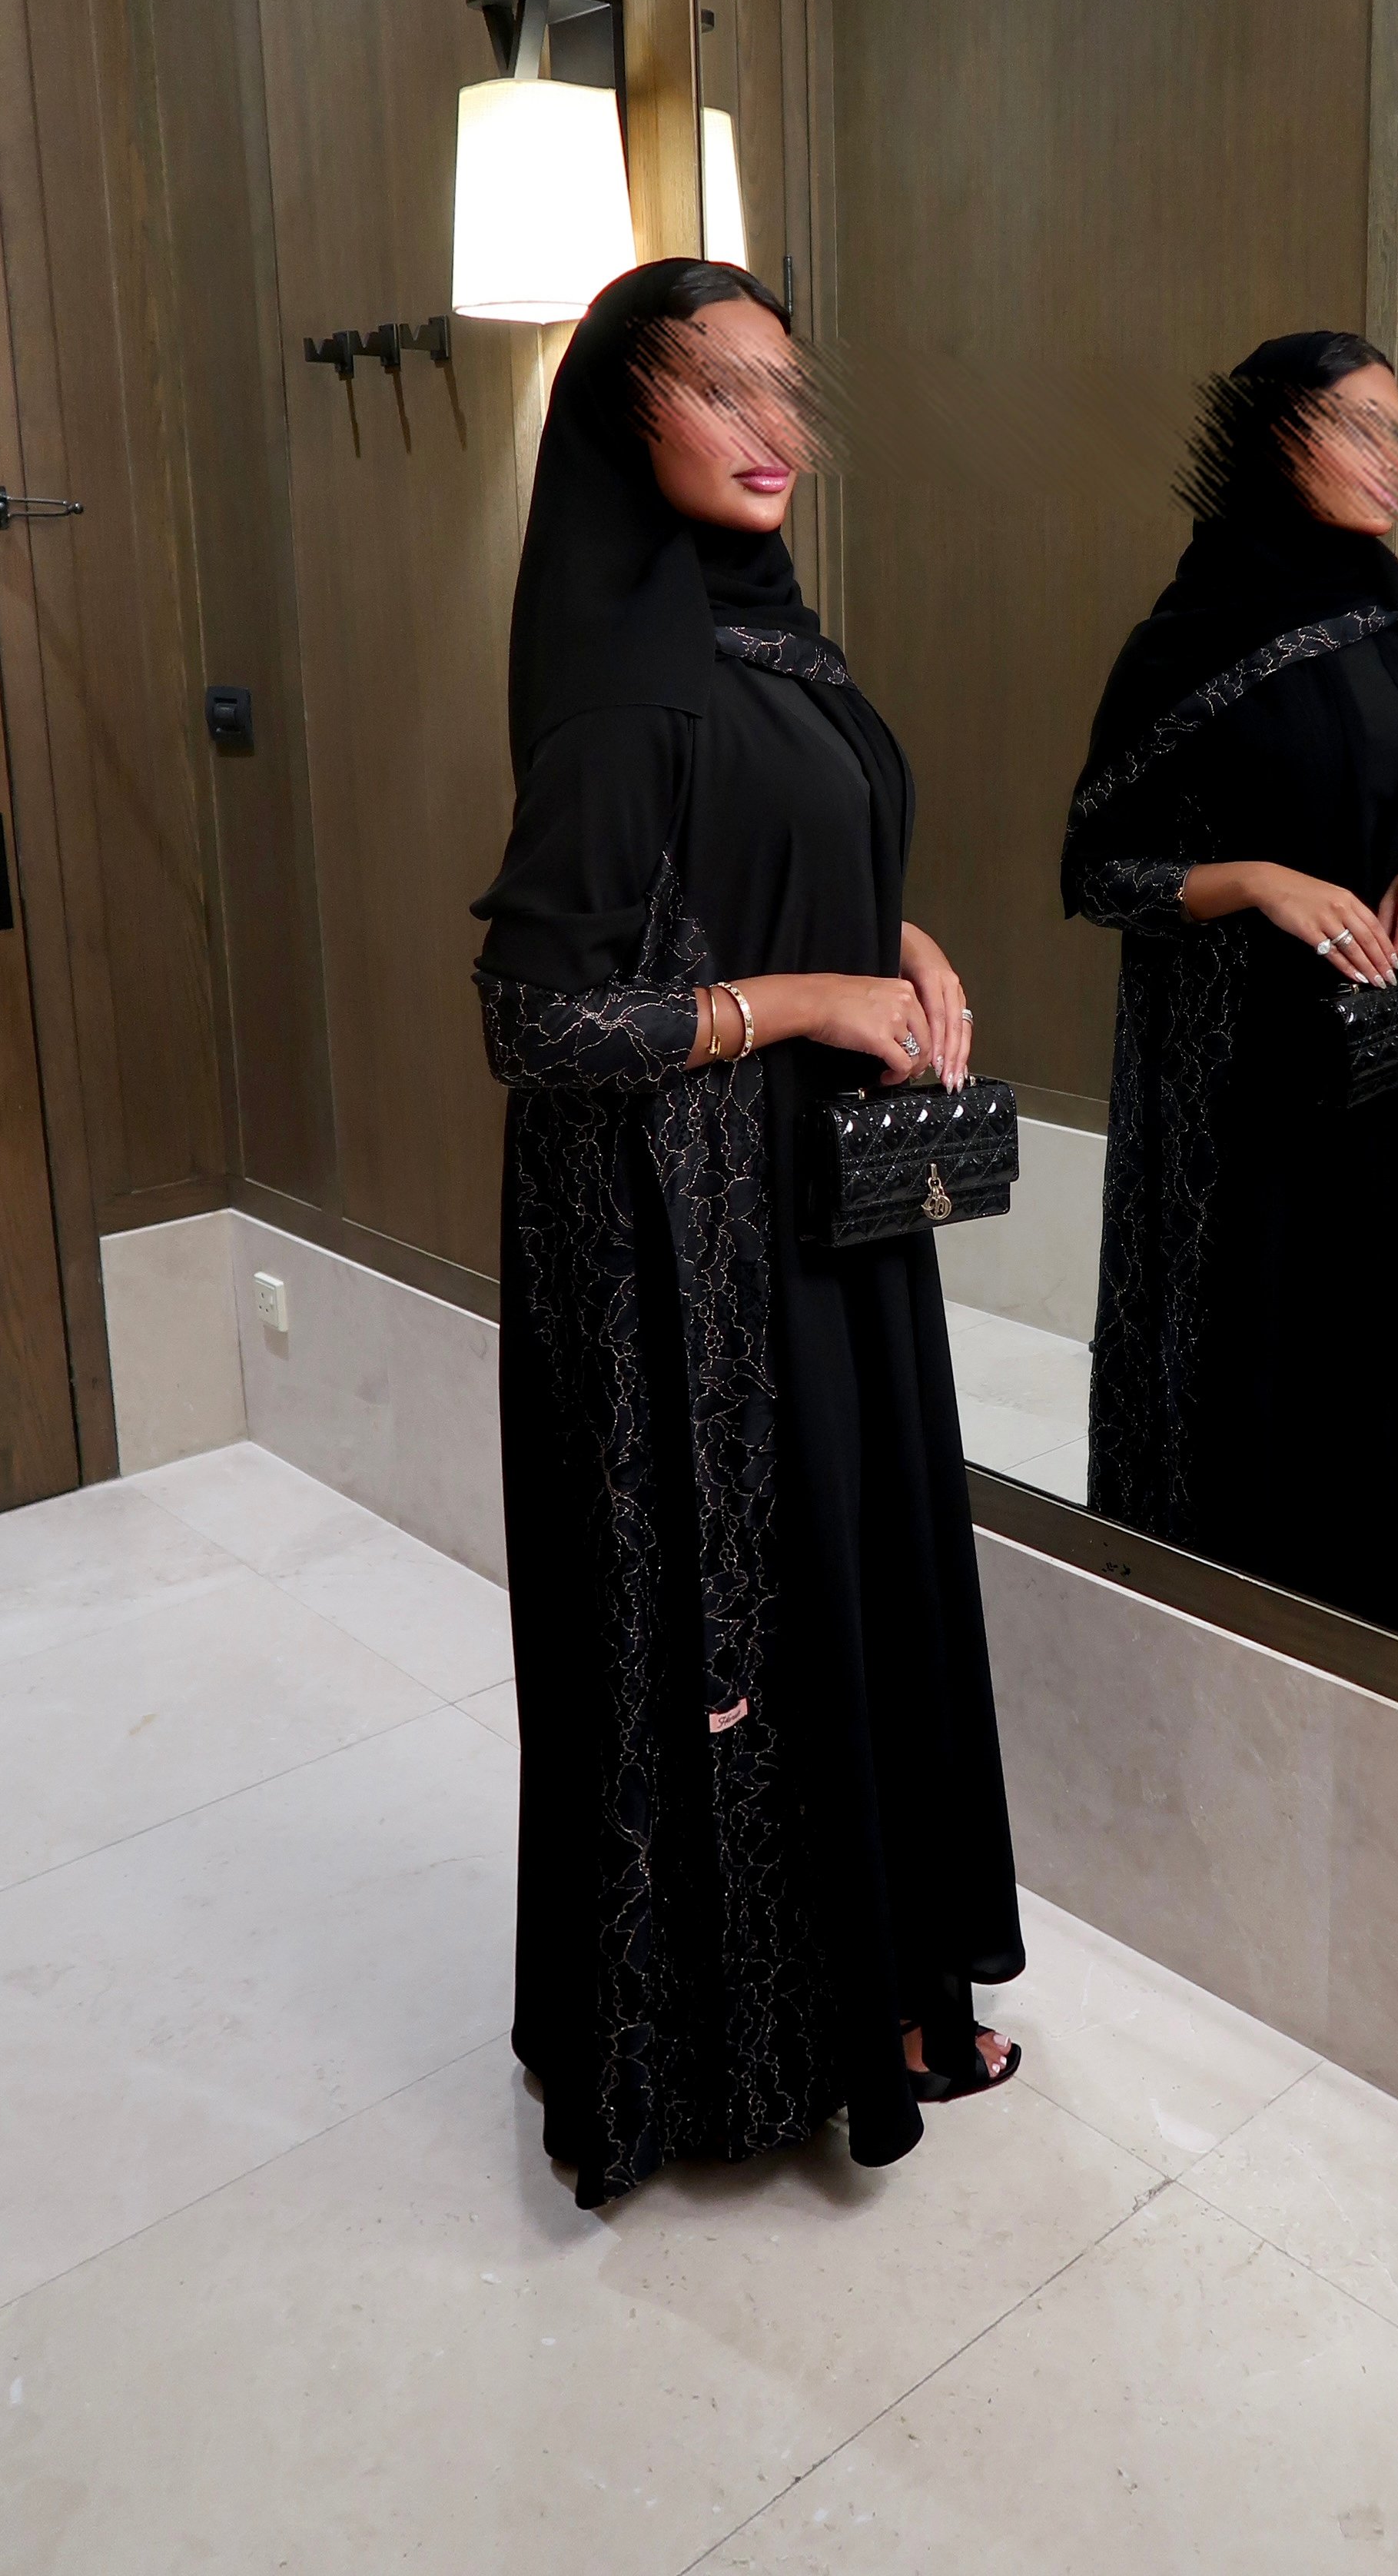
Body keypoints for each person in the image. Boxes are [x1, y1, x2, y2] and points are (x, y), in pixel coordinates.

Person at [472, 257, 1021, 2209]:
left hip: (821, 1214)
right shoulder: (628, 681)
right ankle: (731, 2058)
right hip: (682, 1261)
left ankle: (878, 1993)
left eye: (786, 386)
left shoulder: (775, 634)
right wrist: (809, 999)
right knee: (751, 1622)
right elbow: (539, 1023)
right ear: (625, 416)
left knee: (853, 1589)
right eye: (720, 389)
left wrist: (900, 939)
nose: (772, 428)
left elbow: (779, 854)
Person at [1062, 331, 1398, 1650]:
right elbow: (1098, 869)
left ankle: (1391, 1649)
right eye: (1362, 428)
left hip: (1386, 1073)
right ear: (1274, 441)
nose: (1395, 460)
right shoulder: (1186, 641)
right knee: (1261, 1362)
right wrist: (1256, 880)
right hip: (1243, 1095)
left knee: (1383, 1361)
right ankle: (1222, 1650)